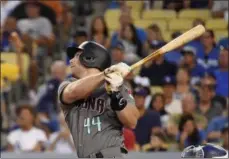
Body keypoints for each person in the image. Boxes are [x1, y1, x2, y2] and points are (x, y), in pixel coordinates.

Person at [58, 41, 140, 158]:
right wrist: (105, 74)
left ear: (90, 58)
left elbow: (132, 122)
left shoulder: (118, 86)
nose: (70, 60)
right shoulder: (68, 84)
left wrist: (116, 95)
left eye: (76, 55)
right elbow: (73, 93)